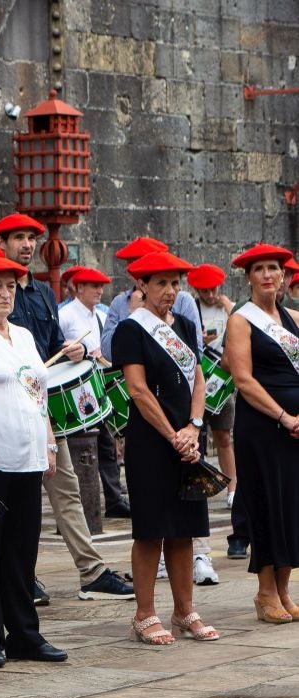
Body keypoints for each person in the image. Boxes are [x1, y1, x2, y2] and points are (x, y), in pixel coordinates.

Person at [0, 214, 133, 605]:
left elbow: (55, 342)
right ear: (2, 243)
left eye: (30, 238)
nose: (26, 244)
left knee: (66, 489)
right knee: (19, 498)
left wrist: (78, 350)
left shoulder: (40, 293)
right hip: (9, 409)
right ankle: (23, 576)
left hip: (46, 410)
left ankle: (91, 571)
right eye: (18, 238)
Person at [113, 251, 217, 645]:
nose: (170, 291)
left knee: (185, 529)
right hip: (151, 442)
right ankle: (144, 613)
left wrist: (193, 426)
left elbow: (199, 380)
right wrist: (173, 434)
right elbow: (138, 389)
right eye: (161, 283)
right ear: (142, 284)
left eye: (175, 283)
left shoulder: (188, 325)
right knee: (151, 529)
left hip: (187, 439)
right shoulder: (131, 329)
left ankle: (184, 609)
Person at [0, 255, 68, 664]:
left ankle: (25, 633)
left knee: (23, 552)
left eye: (11, 286)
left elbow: (37, 392)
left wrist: (49, 441)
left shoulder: (24, 336)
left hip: (28, 454)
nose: (6, 293)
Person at [225, 243, 299, 624]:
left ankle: (285, 589)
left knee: (291, 507)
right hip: (263, 426)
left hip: (295, 428)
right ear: (249, 278)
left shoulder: (294, 318)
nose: (269, 275)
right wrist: (285, 416)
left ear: (284, 276)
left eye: (274, 268)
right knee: (268, 504)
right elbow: (243, 379)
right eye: (260, 270)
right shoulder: (241, 320)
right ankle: (265, 591)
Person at [58, 266, 133, 521]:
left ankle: (113, 498)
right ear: (79, 288)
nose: (100, 291)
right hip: (76, 386)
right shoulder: (66, 314)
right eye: (94, 286)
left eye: (101, 286)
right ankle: (83, 503)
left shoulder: (99, 315)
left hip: (98, 381)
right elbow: (58, 349)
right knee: (80, 447)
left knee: (107, 444)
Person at [191, 263, 237, 511]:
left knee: (224, 436)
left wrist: (228, 306)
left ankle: (233, 489)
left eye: (212, 290)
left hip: (222, 378)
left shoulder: (226, 307)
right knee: (195, 435)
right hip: (200, 377)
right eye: (204, 291)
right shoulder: (192, 308)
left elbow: (242, 324)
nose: (209, 295)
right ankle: (198, 486)